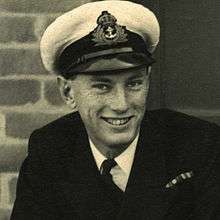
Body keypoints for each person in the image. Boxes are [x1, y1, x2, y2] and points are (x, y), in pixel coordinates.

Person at [11, 1, 220, 219]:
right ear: (67, 92)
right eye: (102, 86)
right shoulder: (51, 152)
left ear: (147, 80)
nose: (121, 104)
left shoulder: (199, 146)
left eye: (134, 83)